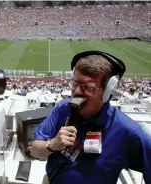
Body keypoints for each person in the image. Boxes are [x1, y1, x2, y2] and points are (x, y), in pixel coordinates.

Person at [31, 51, 151, 184]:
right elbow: (35, 151)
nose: (76, 92)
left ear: (108, 92)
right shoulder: (62, 108)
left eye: (88, 87)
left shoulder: (128, 131)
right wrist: (53, 144)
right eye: (75, 84)